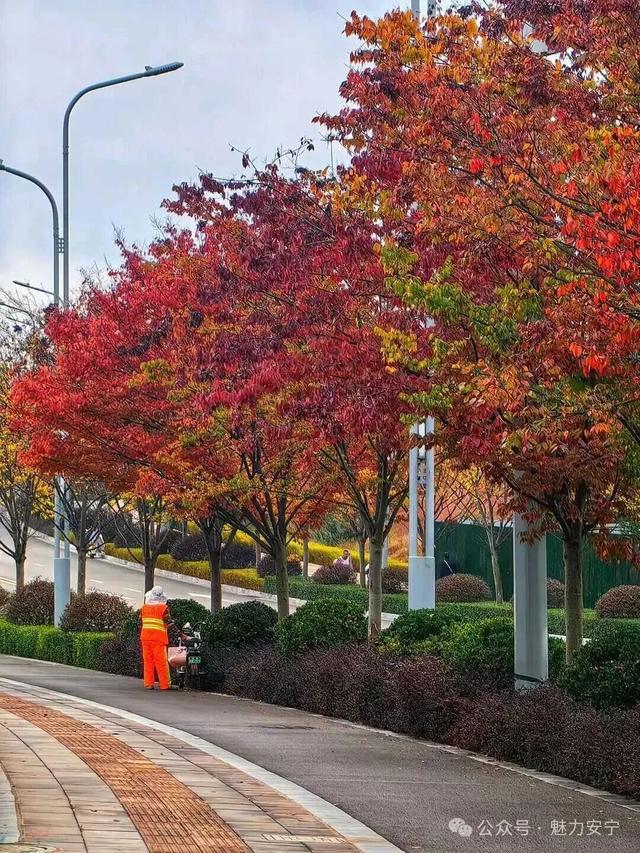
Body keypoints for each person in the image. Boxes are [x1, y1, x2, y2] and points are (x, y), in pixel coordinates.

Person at [139, 586, 173, 690]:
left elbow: (139, 624)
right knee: (161, 662)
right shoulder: (163, 608)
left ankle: (148, 683)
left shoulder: (144, 608)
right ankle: (165, 685)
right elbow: (169, 623)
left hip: (145, 638)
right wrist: (182, 635)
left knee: (148, 661)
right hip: (158, 639)